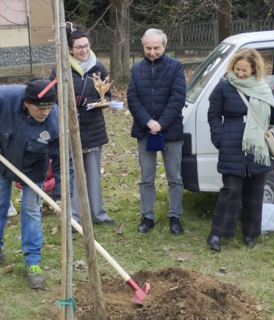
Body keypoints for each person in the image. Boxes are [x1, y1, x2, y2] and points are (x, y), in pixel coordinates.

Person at [206, 48, 274, 251]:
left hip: (258, 147)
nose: (240, 74)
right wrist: (219, 139)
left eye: (244, 70)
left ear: (254, 69)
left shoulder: (262, 88)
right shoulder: (224, 87)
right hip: (232, 145)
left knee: (255, 191)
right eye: (237, 69)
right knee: (230, 190)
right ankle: (217, 234)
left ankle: (250, 233)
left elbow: (272, 117)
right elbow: (213, 115)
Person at [0, 77, 73, 288]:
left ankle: (33, 262)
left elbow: (63, 161)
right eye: (40, 108)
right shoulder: (6, 98)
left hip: (33, 168)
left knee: (31, 210)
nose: (45, 112)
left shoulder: (54, 122)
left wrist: (62, 195)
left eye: (49, 107)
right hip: (4, 160)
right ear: (26, 103)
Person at [50, 23, 115, 228]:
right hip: (71, 129)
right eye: (79, 47)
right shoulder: (61, 67)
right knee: (73, 174)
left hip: (93, 127)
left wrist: (99, 103)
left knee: (93, 174)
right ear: (70, 49)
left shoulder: (98, 66)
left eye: (86, 45)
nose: (84, 50)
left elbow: (109, 96)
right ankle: (75, 218)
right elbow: (50, 97)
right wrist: (70, 102)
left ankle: (98, 214)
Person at [127, 28, 186, 235]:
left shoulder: (176, 67)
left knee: (174, 177)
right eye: (148, 48)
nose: (152, 52)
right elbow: (132, 99)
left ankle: (175, 216)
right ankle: (147, 216)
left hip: (170, 131)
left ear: (164, 46)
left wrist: (160, 123)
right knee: (146, 177)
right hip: (145, 131)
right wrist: (148, 122)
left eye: (156, 48)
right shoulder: (136, 69)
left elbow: (178, 98)